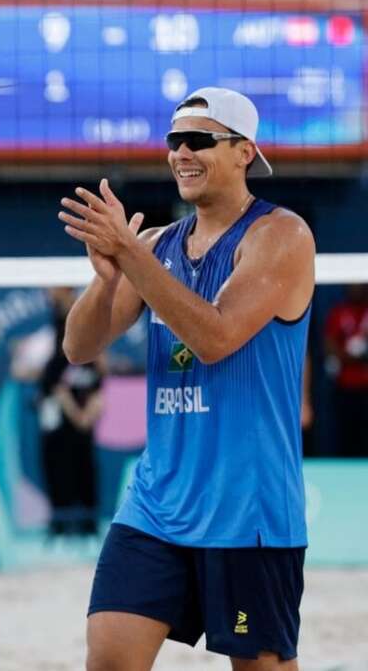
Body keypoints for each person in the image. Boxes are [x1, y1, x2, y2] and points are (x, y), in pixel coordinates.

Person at [58, 87, 314, 670]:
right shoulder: (154, 245)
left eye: (199, 140)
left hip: (248, 514)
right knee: (110, 659)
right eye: (175, 141)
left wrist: (132, 256)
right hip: (158, 504)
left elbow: (216, 336)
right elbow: (78, 346)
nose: (181, 153)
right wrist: (106, 279)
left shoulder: (282, 236)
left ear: (245, 151)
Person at [37, 287, 101, 537]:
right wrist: (77, 414)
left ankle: (87, 522)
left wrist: (86, 414)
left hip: (79, 419)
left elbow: (97, 385)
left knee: (84, 468)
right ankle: (61, 522)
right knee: (57, 467)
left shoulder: (90, 355)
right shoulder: (56, 356)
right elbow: (55, 386)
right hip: (61, 421)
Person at [323, 284, 368, 457]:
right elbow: (330, 346)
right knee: (345, 434)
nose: (356, 289)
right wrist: (355, 358)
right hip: (345, 386)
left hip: (365, 386)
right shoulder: (338, 312)